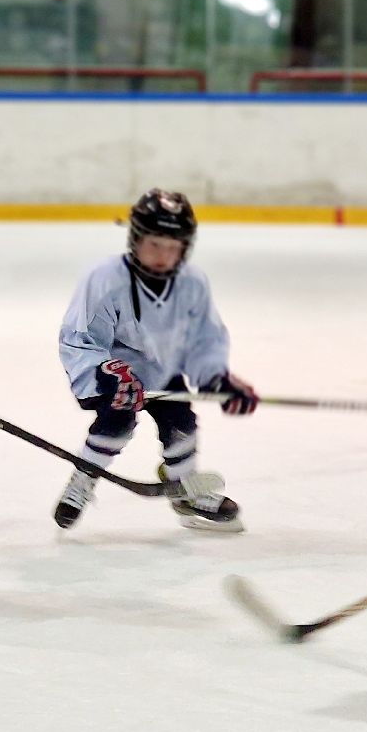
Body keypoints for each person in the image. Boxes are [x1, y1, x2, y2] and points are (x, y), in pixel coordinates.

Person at [54, 189, 258, 533]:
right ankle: (84, 478)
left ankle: (184, 489)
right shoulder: (104, 280)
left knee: (182, 426)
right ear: (136, 239)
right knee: (116, 424)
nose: (163, 255)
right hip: (116, 373)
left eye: (173, 246)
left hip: (163, 371)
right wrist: (105, 373)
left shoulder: (192, 284)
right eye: (154, 244)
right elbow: (80, 338)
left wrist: (217, 380)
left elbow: (204, 339)